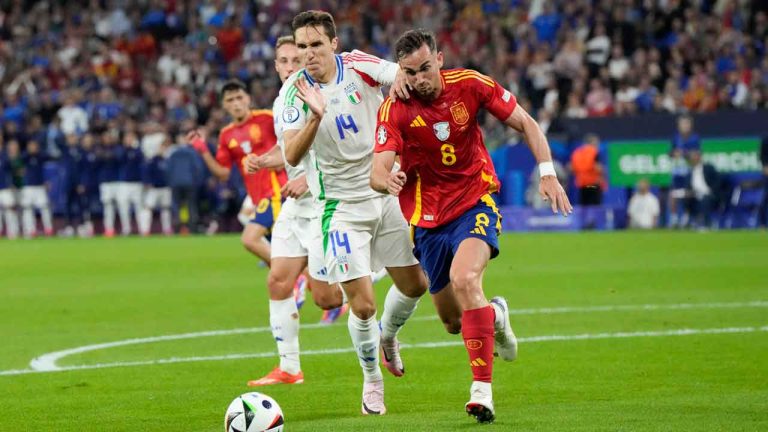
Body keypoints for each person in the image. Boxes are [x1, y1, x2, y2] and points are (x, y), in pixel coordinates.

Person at [370, 29, 571, 423]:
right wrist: (386, 180)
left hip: (475, 200)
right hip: (427, 220)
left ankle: (482, 391)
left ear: (440, 60)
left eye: (426, 68)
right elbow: (378, 168)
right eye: (410, 72)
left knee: (466, 279)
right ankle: (495, 315)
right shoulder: (394, 108)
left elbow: (526, 123)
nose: (419, 78)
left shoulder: (470, 85)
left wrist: (547, 172)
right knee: (451, 321)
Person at [280, 11, 429, 416]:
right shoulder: (292, 96)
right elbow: (291, 154)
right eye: (302, 47)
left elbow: (396, 73)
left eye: (315, 45)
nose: (308, 54)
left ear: (333, 43)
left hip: (386, 194)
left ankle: (389, 336)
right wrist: (316, 116)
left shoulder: (359, 65)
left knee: (416, 286)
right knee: (362, 306)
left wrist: (397, 79)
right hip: (340, 209)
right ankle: (372, 380)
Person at [243, 35, 348, 388]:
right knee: (277, 279)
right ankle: (289, 367)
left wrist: (305, 179)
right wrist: (263, 160)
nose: (290, 67)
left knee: (326, 298)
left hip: (321, 203)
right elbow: (286, 150)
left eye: (295, 60)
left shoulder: (315, 95)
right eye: (284, 61)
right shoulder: (282, 100)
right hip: (295, 207)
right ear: (275, 65)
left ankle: (362, 288)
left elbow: (331, 148)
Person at [188, 80, 286, 264]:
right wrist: (202, 150)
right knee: (289, 256)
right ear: (224, 105)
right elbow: (223, 173)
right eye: (230, 100)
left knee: (250, 239)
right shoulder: (226, 134)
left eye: (239, 97)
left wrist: (278, 162)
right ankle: (300, 280)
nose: (236, 103)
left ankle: (292, 275)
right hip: (258, 197)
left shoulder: (268, 118)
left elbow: (290, 144)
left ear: (248, 98)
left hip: (277, 192)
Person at [139, 135, 173, 236]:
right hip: (153, 188)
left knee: (166, 208)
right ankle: (145, 230)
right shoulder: (152, 160)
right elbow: (146, 173)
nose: (164, 148)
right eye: (162, 146)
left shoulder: (168, 159)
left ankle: (167, 229)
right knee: (148, 208)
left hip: (165, 188)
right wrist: (147, 183)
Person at [19, 140, 53, 238]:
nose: (33, 148)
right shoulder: (25, 157)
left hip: (40, 187)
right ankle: (31, 230)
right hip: (28, 187)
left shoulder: (40, 156)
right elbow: (17, 163)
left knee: (44, 207)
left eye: (34, 146)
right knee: (28, 209)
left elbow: (50, 157)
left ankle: (48, 229)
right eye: (31, 146)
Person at [687, 150, 721, 229]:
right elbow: (688, 186)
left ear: (700, 158)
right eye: (692, 158)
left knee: (705, 199)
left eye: (695, 158)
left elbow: (717, 181)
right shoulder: (690, 172)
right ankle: (690, 221)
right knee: (686, 199)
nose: (693, 160)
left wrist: (712, 190)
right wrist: (689, 192)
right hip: (695, 195)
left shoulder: (708, 168)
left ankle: (706, 223)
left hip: (709, 194)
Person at [570, 134, 606, 206]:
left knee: (584, 207)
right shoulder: (594, 152)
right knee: (595, 208)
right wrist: (603, 176)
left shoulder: (576, 153)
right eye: (597, 143)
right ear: (592, 142)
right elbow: (598, 168)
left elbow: (572, 168)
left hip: (582, 185)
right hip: (593, 185)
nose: (598, 145)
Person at [0, 138, 20, 239]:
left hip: (6, 187)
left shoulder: (5, 155)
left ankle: (13, 232)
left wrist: (11, 183)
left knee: (10, 210)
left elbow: (12, 170)